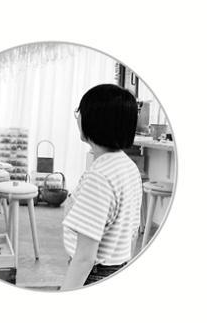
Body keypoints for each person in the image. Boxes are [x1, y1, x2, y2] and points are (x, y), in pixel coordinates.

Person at [60, 84, 142, 291]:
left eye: (79, 111)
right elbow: (132, 233)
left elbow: (85, 258)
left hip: (93, 275)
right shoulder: (127, 166)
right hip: (118, 266)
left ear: (95, 119)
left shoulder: (99, 177)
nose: (77, 117)